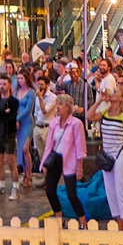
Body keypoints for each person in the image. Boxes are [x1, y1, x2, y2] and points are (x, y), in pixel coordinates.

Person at [86, 87, 123, 225]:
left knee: (122, 190)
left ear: (121, 98)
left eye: (116, 91)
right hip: (108, 155)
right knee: (111, 191)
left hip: (121, 154)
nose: (113, 92)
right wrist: (100, 100)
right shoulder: (105, 112)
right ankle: (120, 222)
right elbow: (89, 116)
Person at [40, 94, 86, 224]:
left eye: (60, 104)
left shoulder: (76, 124)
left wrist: (79, 166)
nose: (58, 107)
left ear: (67, 107)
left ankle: (83, 220)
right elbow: (49, 144)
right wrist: (44, 162)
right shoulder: (54, 122)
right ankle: (59, 217)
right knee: (49, 190)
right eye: (57, 104)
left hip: (70, 161)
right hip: (55, 158)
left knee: (71, 194)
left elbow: (80, 145)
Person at [0, 78, 20, 199]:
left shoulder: (13, 101)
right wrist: (1, 113)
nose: (1, 86)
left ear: (9, 85)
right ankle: (1, 186)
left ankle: (15, 188)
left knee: (11, 162)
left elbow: (11, 116)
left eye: (4, 84)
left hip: (9, 134)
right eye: (0, 84)